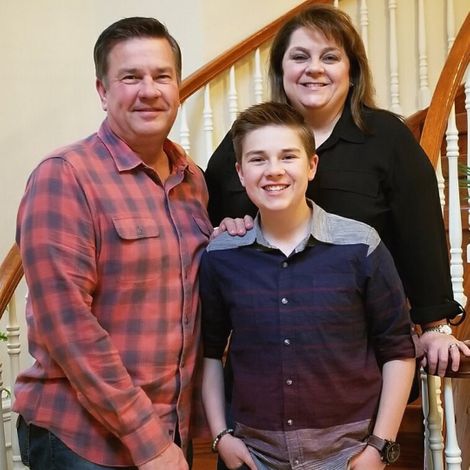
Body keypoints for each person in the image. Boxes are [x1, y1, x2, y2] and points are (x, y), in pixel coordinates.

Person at [205, 4, 468, 376]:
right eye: (300, 57)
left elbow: (420, 233)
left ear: (351, 70)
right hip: (271, 346)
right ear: (282, 69)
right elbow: (212, 202)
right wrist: (227, 223)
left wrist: (434, 326)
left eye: (330, 57)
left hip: (363, 346)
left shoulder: (388, 139)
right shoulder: (251, 138)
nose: (314, 68)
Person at [14, 17, 212, 470]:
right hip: (84, 439)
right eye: (131, 77)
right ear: (102, 91)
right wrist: (149, 441)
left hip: (170, 426)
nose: (149, 90)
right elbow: (68, 327)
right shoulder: (65, 176)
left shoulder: (193, 181)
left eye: (162, 76)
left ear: (178, 87)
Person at [201, 101, 416, 470]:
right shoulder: (222, 255)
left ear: (311, 165)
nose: (273, 171)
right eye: (257, 159)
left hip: (348, 455)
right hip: (253, 455)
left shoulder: (361, 245)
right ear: (239, 172)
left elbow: (397, 348)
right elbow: (209, 351)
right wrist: (221, 436)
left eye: (288, 156)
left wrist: (380, 447)